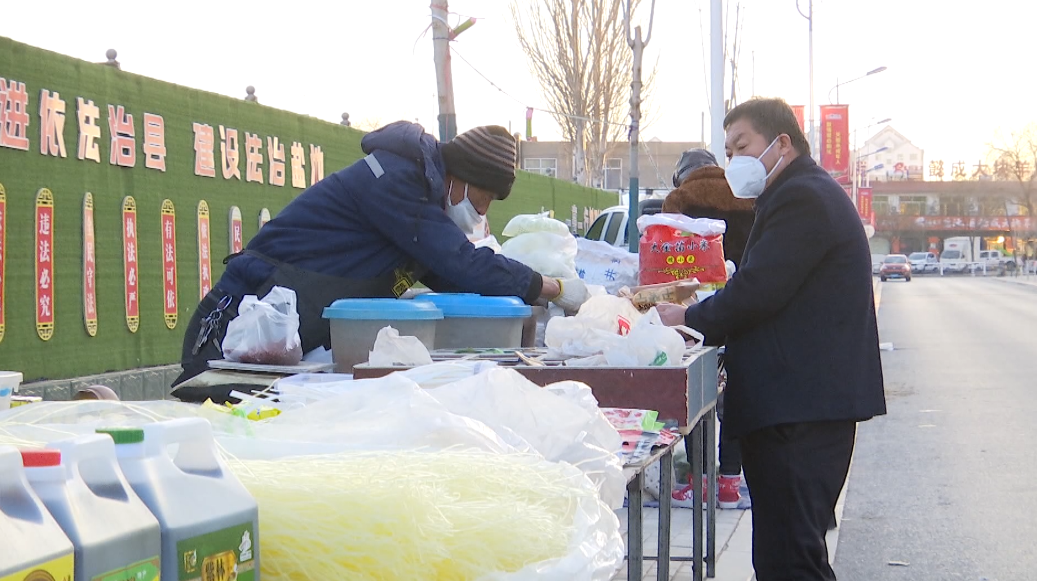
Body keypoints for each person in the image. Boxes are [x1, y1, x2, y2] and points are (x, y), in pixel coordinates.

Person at [172, 122, 590, 402]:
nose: (481, 216)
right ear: (458, 178)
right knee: (214, 430)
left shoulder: (421, 213)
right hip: (241, 329)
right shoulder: (395, 180)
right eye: (481, 202)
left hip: (284, 346)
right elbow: (462, 263)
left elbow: (459, 277)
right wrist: (551, 286)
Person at [657, 98, 886, 581]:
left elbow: (758, 291)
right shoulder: (797, 193)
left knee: (792, 560)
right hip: (798, 406)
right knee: (787, 555)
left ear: (782, 143)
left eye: (742, 146)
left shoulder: (803, 197)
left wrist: (687, 317)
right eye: (728, 150)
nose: (733, 160)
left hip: (799, 412)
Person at [662, 154, 756, 509]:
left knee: (697, 393)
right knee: (733, 394)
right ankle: (730, 483)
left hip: (695, 309)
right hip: (741, 307)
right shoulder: (746, 197)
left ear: (680, 176)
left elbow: (664, 259)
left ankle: (700, 482)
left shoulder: (681, 200)